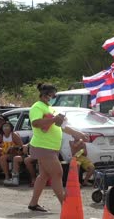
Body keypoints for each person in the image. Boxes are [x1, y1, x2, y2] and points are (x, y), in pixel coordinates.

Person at [27, 83, 87, 212]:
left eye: (54, 95)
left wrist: (78, 133)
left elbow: (62, 126)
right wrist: (54, 119)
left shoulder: (51, 109)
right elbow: (36, 123)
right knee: (58, 173)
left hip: (50, 147)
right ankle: (65, 205)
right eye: (52, 94)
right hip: (43, 146)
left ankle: (33, 203)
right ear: (45, 95)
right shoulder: (37, 107)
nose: (54, 97)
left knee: (44, 175)